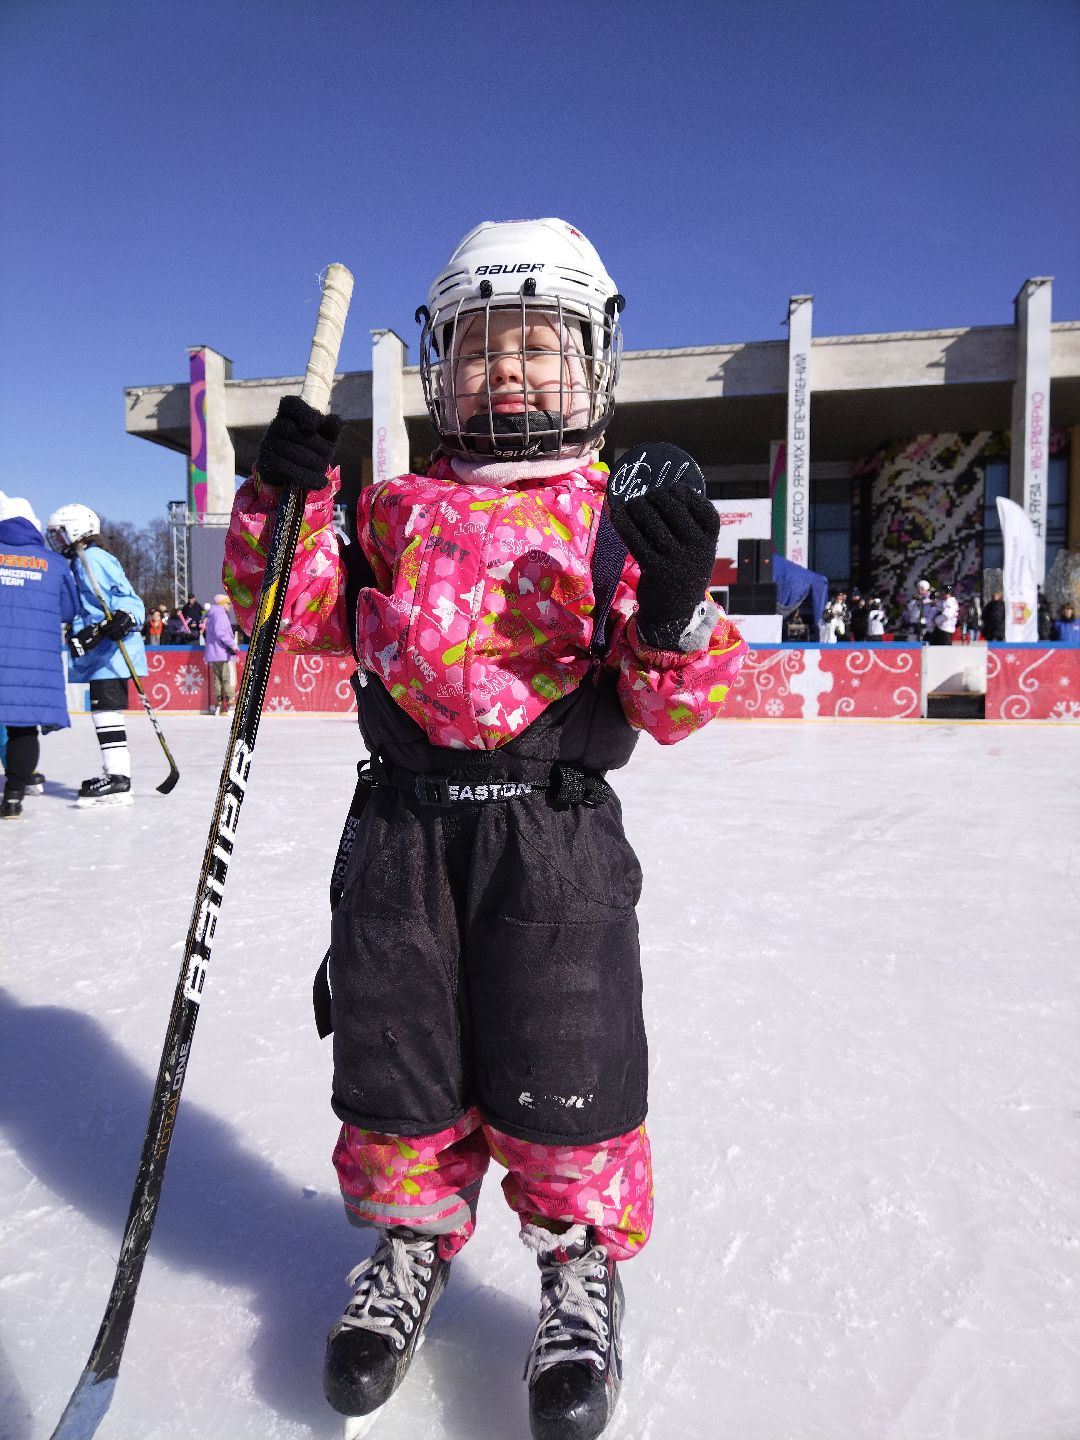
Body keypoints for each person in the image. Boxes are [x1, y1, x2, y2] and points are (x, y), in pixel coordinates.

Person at [224, 217, 748, 1440]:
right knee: (398, 1053)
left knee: (567, 1054)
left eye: (538, 346)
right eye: (477, 347)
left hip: (551, 840)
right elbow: (277, 619)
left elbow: (679, 707)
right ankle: (411, 1246)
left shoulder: (613, 511)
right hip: (403, 839)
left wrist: (672, 608)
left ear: (593, 361)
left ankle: (574, 1266)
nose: (505, 371)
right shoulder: (394, 511)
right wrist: (280, 498)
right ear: (435, 362)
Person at [46, 504, 146, 807]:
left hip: (112, 654)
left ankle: (119, 779)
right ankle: (115, 774)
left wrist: (125, 617)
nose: (57, 542)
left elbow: (129, 599)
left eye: (60, 535)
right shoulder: (78, 562)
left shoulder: (95, 559)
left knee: (106, 712)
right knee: (102, 712)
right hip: (100, 655)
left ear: (76, 530)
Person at [0, 496, 77, 818]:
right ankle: (14, 796)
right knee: (22, 728)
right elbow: (68, 610)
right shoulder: (54, 563)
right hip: (33, 665)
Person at [203, 592, 239, 714]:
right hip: (222, 652)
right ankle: (230, 705)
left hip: (213, 653)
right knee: (227, 679)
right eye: (228, 604)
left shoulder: (212, 615)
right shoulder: (221, 614)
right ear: (223, 604)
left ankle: (217, 705)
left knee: (217, 680)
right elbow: (221, 632)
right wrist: (232, 644)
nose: (230, 606)